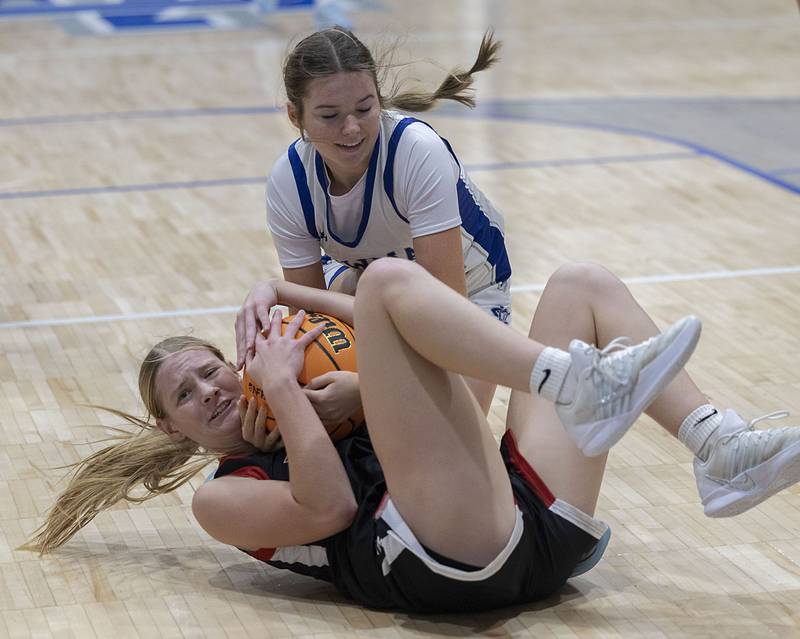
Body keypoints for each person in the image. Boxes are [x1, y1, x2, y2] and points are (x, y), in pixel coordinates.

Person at [23, 260, 800, 613]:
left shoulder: (315, 398)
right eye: (186, 397)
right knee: (385, 287)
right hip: (440, 564)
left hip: (530, 533)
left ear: (238, 360)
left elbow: (458, 396)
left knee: (580, 285)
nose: (211, 391)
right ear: (173, 428)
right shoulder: (220, 496)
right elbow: (326, 505)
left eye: (210, 370)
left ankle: (718, 446)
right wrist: (289, 395)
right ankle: (576, 383)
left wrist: (278, 292)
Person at [239, 26, 510, 414]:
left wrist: (369, 389)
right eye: (329, 116)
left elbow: (443, 312)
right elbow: (316, 319)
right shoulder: (289, 181)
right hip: (365, 286)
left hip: (469, 294)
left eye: (365, 109)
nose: (351, 129)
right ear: (294, 116)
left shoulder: (416, 151)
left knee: (438, 428)